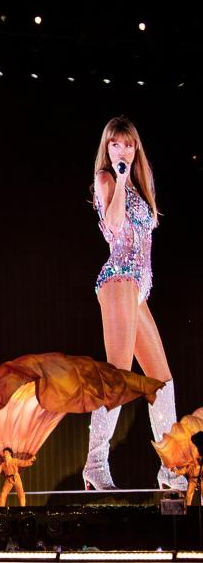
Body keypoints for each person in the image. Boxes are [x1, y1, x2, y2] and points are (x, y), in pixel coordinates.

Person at [81, 116, 186, 491]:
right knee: (119, 371)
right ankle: (95, 463)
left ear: (135, 147)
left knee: (161, 381)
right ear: (107, 149)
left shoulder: (143, 188)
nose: (120, 150)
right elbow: (111, 227)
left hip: (139, 287)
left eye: (126, 144)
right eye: (113, 145)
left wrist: (132, 182)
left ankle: (171, 468)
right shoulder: (107, 179)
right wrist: (121, 179)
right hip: (118, 278)